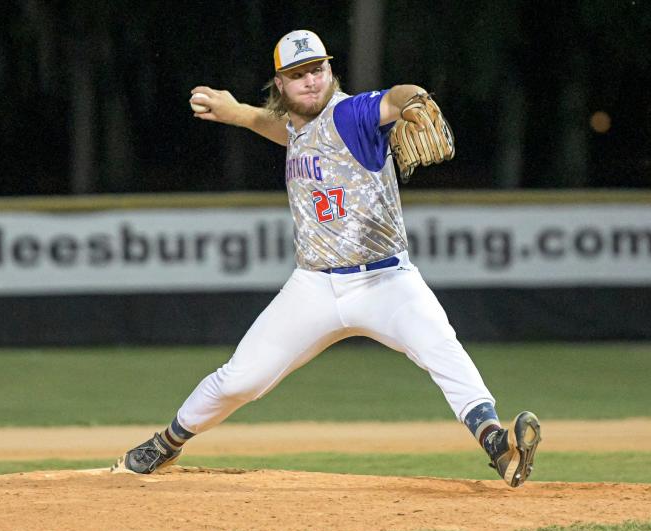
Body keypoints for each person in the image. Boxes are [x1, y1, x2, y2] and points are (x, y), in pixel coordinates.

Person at [110, 30, 541, 487]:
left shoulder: (351, 114)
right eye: (298, 75)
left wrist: (415, 99)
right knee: (239, 380)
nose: (311, 81)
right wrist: (237, 114)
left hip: (385, 282)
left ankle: (497, 444)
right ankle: (167, 442)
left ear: (331, 70)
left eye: (317, 69)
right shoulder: (298, 125)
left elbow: (395, 99)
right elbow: (282, 129)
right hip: (313, 287)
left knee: (440, 346)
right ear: (281, 85)